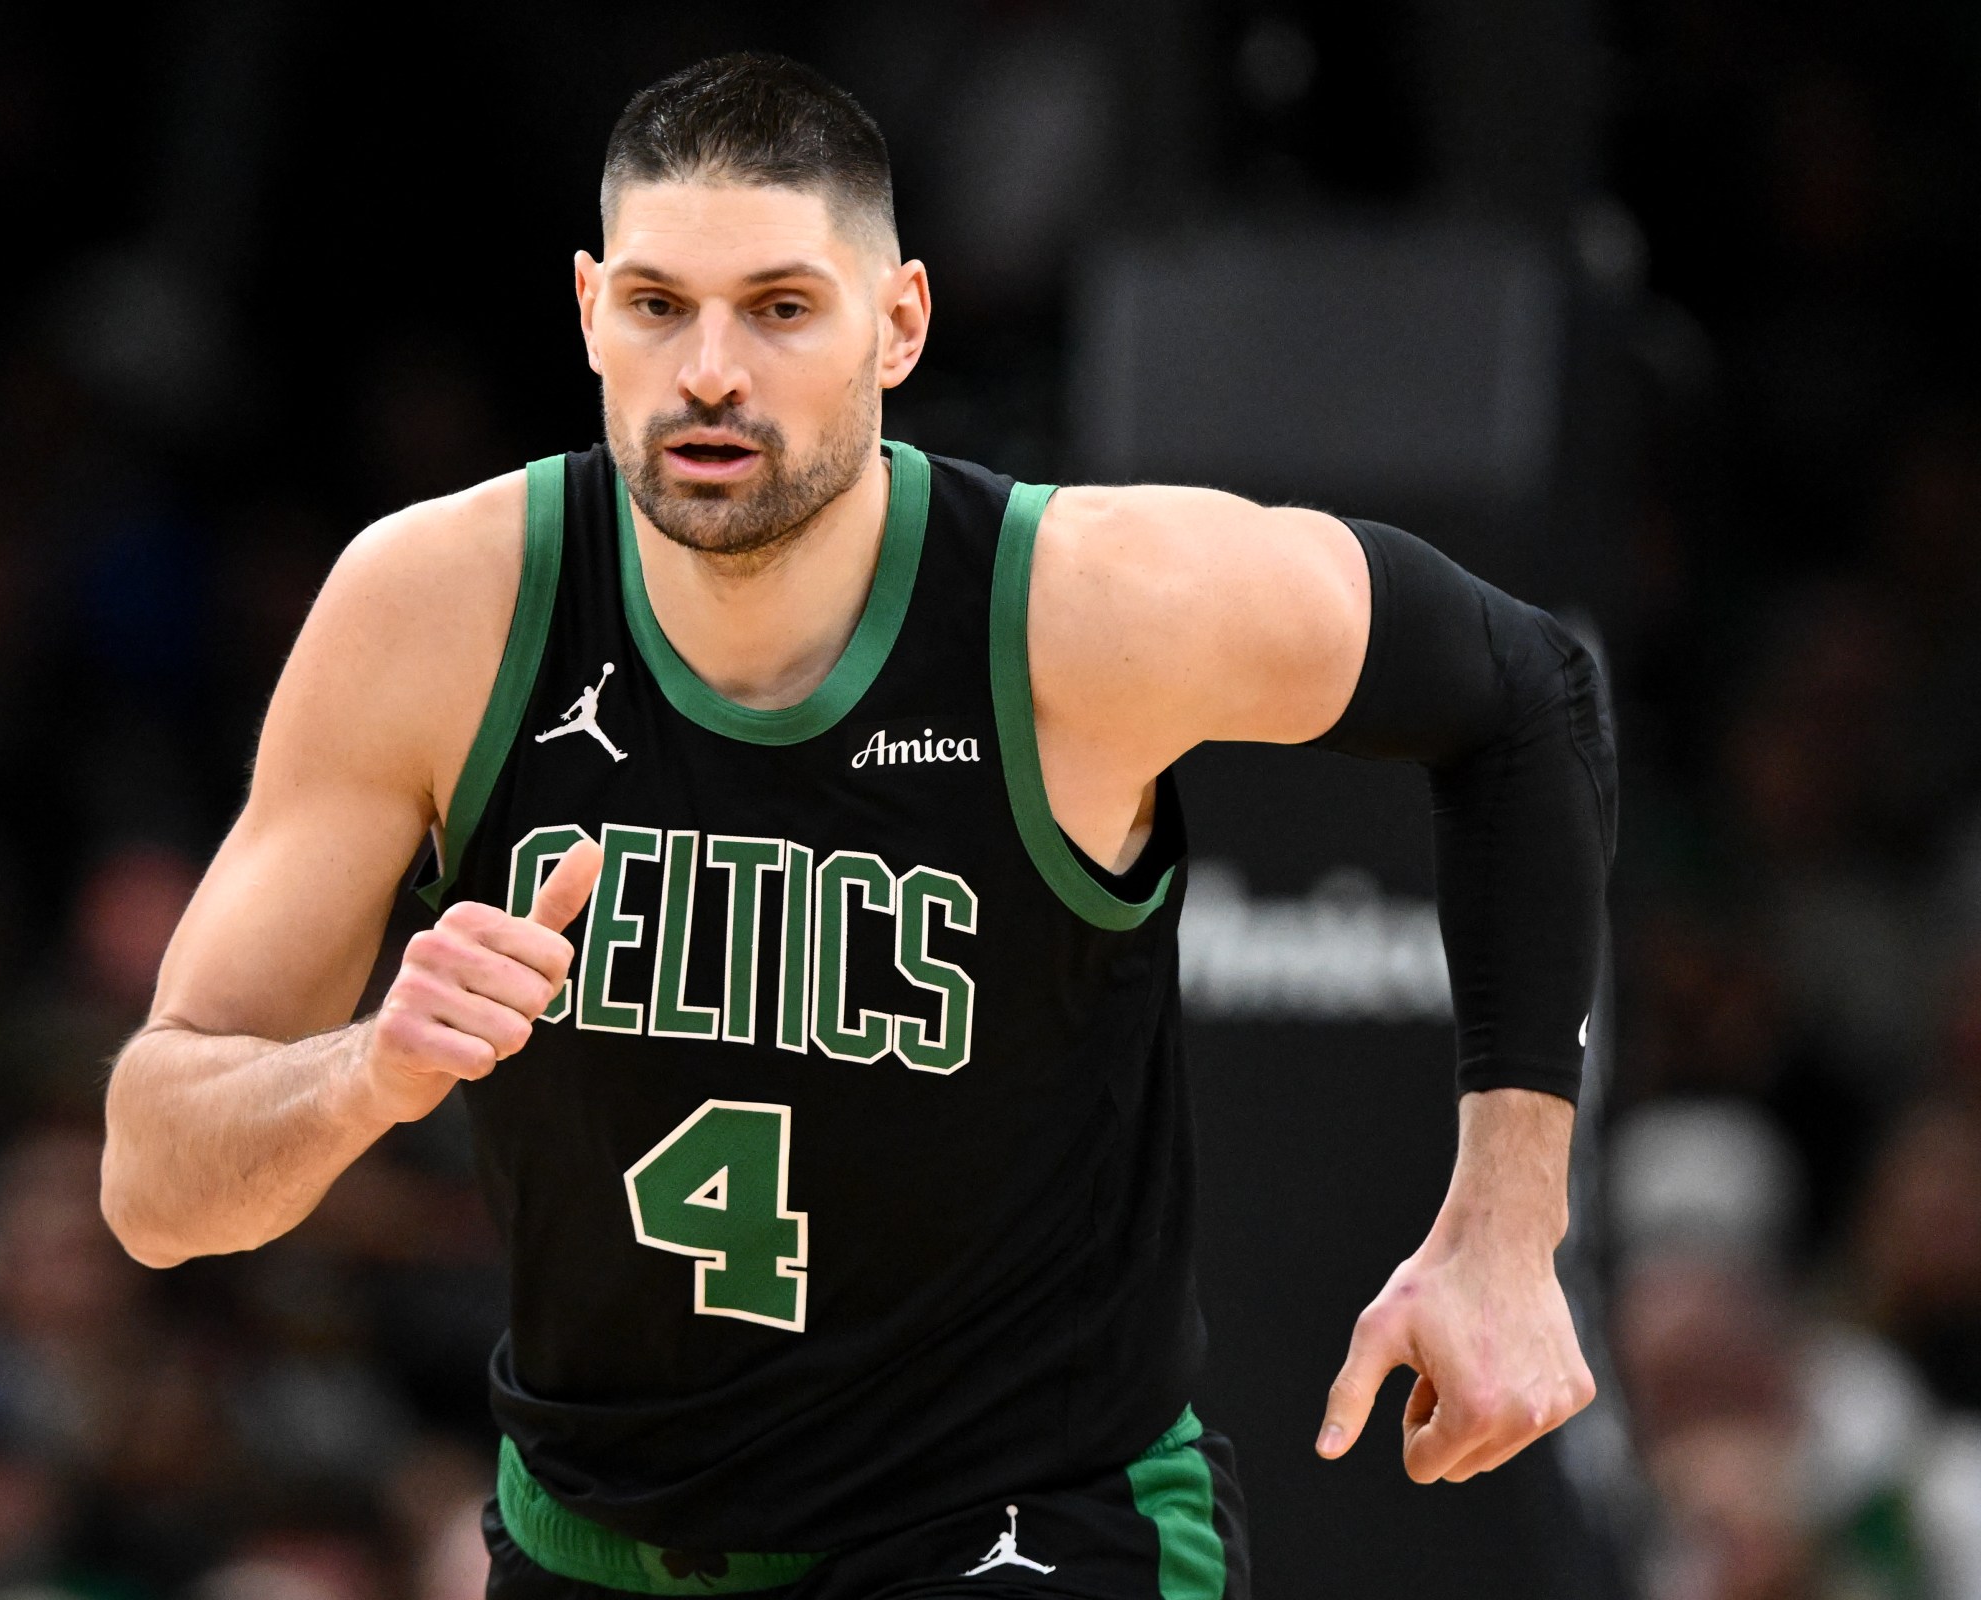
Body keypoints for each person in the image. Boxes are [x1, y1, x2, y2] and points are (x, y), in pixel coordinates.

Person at [100, 53, 1613, 1599]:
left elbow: (1524, 695)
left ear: (898, 324)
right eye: (656, 305)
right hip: (599, 1532)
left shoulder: (1081, 608)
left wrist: (1508, 1222)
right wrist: (370, 1072)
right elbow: (154, 1182)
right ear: (586, 314)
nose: (708, 372)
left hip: (1021, 1524)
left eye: (779, 308)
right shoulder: (434, 611)